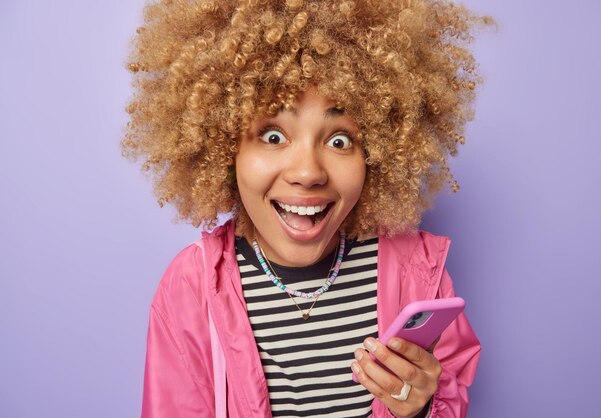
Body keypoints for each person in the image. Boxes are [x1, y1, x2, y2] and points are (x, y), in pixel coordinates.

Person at [122, 1, 493, 417]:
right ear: (225, 148)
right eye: (274, 135)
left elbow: (451, 396)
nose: (308, 172)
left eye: (339, 140)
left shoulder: (417, 270)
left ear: (376, 153)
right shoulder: (192, 288)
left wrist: (421, 407)